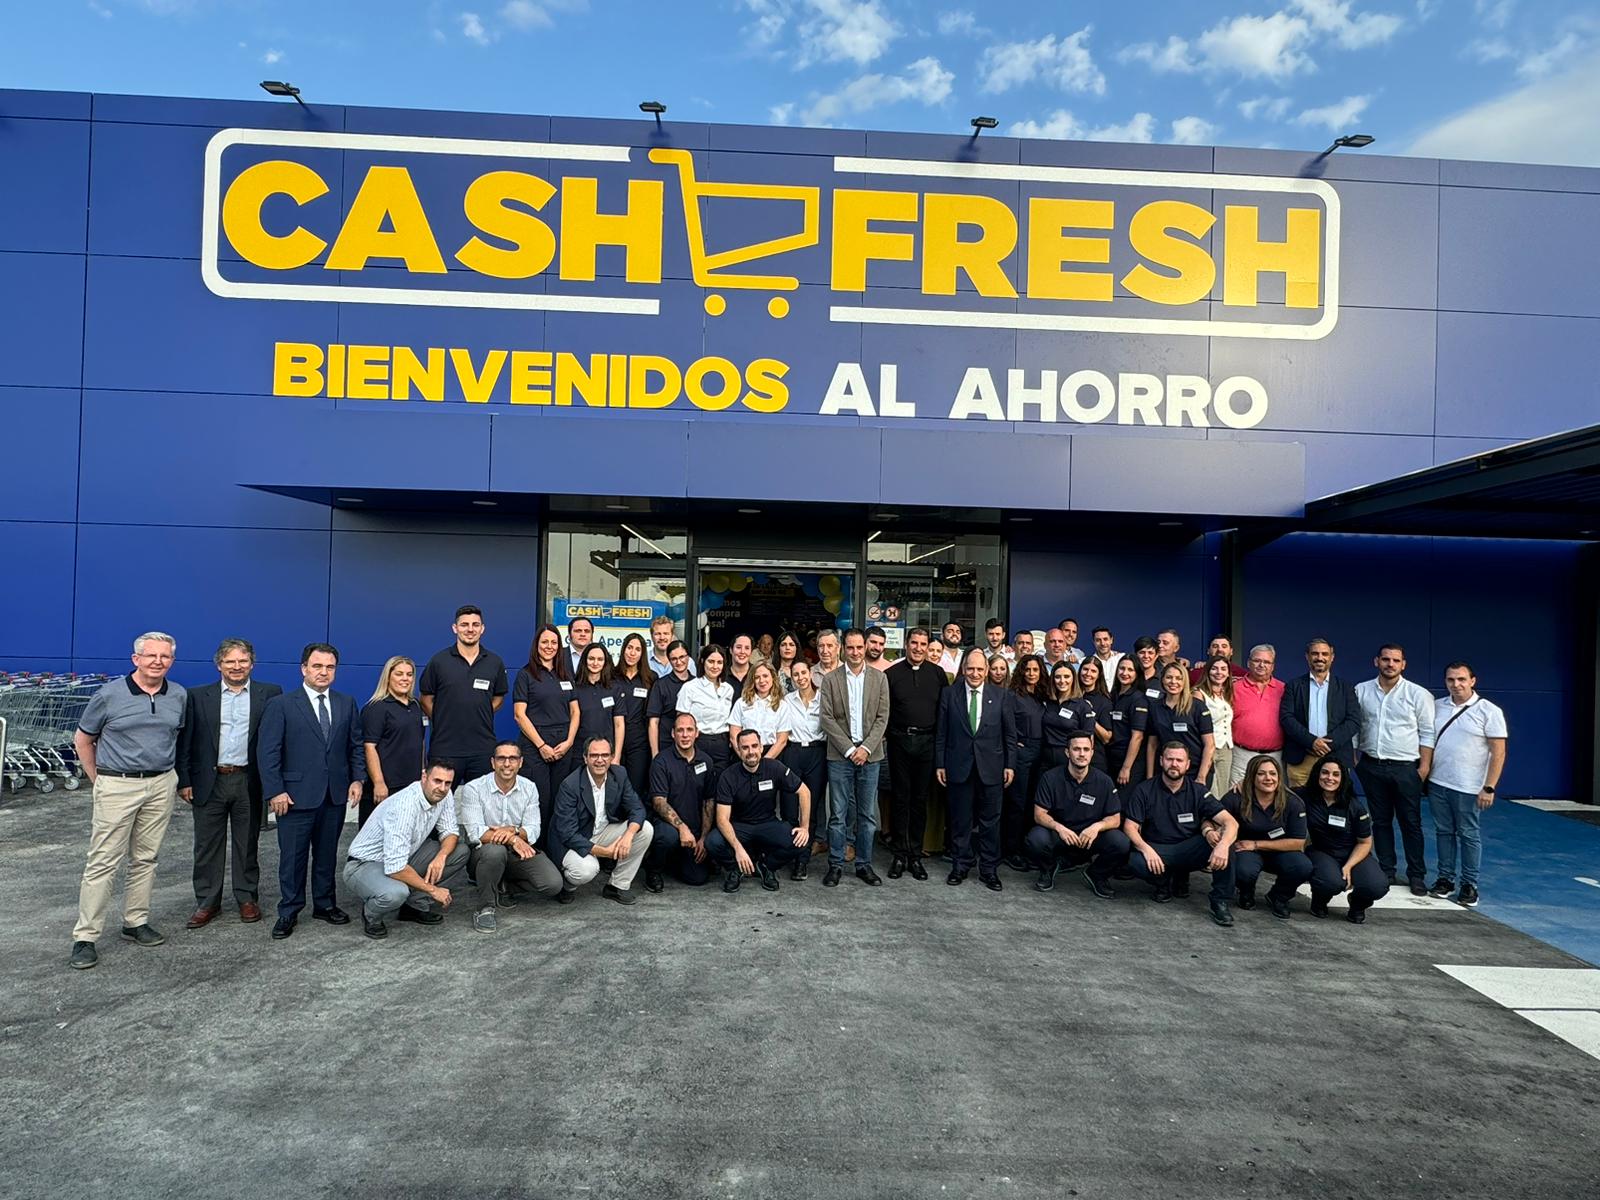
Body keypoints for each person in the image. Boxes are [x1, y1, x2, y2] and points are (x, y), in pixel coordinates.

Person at [68, 632, 188, 971]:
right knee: (103, 861)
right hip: (117, 785)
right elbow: (83, 739)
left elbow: (176, 736)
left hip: (160, 783)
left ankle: (135, 921)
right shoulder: (109, 695)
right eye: (150, 656)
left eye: (164, 657)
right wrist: (99, 781)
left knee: (146, 858)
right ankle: (86, 936)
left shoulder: (177, 695)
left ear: (171, 661)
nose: (157, 662)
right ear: (135, 659)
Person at [258, 642, 365, 941]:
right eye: (317, 666)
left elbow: (355, 746)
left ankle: (325, 904)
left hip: (334, 795)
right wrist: (275, 791)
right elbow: (268, 752)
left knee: (327, 854)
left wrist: (357, 780)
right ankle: (289, 910)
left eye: (329, 667)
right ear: (303, 669)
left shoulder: (346, 703)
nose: (323, 672)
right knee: (292, 857)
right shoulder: (282, 704)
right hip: (292, 797)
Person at [175, 637, 282, 930]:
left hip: (250, 780)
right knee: (207, 845)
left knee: (247, 843)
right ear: (219, 664)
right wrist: (184, 780)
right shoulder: (197, 696)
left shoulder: (270, 694)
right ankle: (207, 902)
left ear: (252, 663)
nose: (237, 667)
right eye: (230, 661)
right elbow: (186, 742)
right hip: (209, 781)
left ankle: (247, 897)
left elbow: (275, 742)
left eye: (242, 661)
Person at [342, 759, 469, 940]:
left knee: (458, 852)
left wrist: (441, 855)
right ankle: (372, 915)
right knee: (396, 892)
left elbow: (450, 832)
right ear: (424, 777)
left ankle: (413, 907)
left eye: (447, 783)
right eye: (437, 781)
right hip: (363, 864)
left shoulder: (444, 795)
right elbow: (395, 867)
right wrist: (433, 890)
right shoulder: (404, 807)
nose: (442, 788)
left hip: (403, 856)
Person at [1122, 742, 1239, 927]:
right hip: (1158, 849)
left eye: (1179, 760)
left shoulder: (1198, 791)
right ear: (1161, 761)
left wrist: (1223, 845)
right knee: (1136, 861)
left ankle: (1220, 901)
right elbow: (1129, 827)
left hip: (1189, 849)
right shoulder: (1144, 789)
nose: (1174, 764)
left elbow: (1231, 822)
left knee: (1225, 843)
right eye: (1169, 759)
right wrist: (1146, 849)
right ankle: (1163, 882)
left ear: (1187, 764)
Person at [1355, 643, 1436, 896]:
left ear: (1403, 664)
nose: (1390, 664)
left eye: (1396, 660)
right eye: (1386, 659)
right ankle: (1387, 870)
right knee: (1379, 822)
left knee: (1410, 823)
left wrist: (1424, 767)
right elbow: (1356, 726)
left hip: (1405, 768)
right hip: (1371, 765)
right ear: (1376, 661)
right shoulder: (1362, 690)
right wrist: (1356, 760)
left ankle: (1416, 875)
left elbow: (1427, 733)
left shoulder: (1418, 694)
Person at [1426, 662, 1508, 908]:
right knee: (1443, 831)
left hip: (1469, 786)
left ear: (1473, 680)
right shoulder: (1437, 706)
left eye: (1461, 679)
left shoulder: (1488, 711)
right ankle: (1445, 879)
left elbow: (1499, 752)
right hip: (1438, 782)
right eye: (1451, 679)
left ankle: (1469, 884)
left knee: (1469, 834)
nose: (1456, 684)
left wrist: (1489, 787)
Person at [457, 742, 562, 932]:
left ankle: (503, 886)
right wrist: (514, 837)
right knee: (495, 851)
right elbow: (476, 833)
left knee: (553, 883)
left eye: (512, 758)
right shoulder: (474, 788)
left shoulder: (529, 788)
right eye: (501, 758)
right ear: (492, 762)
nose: (507, 764)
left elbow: (533, 830)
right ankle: (485, 908)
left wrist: (512, 830)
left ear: (520, 763)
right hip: (483, 854)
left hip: (516, 853)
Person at [935, 647, 1016, 891]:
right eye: (970, 668)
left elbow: (1009, 735)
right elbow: (941, 733)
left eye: (980, 669)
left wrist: (1010, 765)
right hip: (958, 766)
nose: (975, 673)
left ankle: (989, 869)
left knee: (990, 822)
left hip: (992, 768)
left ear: (988, 670)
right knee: (961, 821)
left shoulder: (1001, 696)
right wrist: (940, 763)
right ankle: (960, 865)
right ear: (963, 669)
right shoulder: (949, 694)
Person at [819, 628, 891, 887]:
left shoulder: (879, 679)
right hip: (840, 755)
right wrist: (850, 749)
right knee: (837, 814)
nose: (855, 652)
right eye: (850, 647)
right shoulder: (830, 680)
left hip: (871, 756)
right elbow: (826, 718)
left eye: (859, 647)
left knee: (867, 815)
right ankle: (836, 864)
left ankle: (864, 864)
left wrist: (866, 749)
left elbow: (883, 718)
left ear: (865, 648)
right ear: (842, 649)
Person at [549, 736, 654, 904]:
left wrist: (628, 836)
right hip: (572, 839)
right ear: (585, 758)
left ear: (612, 757)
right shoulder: (570, 785)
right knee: (587, 869)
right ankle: (567, 886)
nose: (600, 760)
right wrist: (606, 852)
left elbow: (637, 808)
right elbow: (567, 834)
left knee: (645, 829)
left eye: (605, 755)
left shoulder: (619, 774)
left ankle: (616, 886)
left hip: (601, 831)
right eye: (594, 755)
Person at [706, 729, 812, 892]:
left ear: (761, 747)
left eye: (754, 746)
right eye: (745, 748)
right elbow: (722, 819)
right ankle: (735, 869)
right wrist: (738, 849)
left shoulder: (774, 767)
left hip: (767, 824)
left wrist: (804, 827)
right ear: (739, 750)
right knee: (712, 842)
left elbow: (804, 792)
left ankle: (766, 867)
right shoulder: (728, 776)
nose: (751, 752)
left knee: (801, 842)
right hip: (739, 826)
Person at [1027, 730, 1130, 898]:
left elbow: (1115, 819)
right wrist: (1058, 827)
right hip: (1061, 834)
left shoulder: (1104, 781)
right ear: (1067, 752)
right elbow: (1039, 814)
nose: (1081, 754)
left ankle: (1097, 874)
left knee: (1121, 842)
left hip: (1089, 837)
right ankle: (1048, 869)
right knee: (1036, 839)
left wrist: (1097, 826)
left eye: (1086, 749)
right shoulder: (1050, 778)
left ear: (1091, 752)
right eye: (1076, 749)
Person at [418, 604, 507, 786]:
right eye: (464, 624)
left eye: (475, 625)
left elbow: (499, 698)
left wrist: (480, 711)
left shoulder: (494, 662)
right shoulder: (439, 661)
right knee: (438, 802)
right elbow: (425, 698)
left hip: (482, 748)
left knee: (482, 804)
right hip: (445, 747)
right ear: (455, 628)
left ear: (482, 629)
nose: (470, 629)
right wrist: (444, 717)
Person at [1215, 755, 1312, 919]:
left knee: (1302, 866)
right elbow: (1214, 819)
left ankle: (1279, 897)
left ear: (1279, 777)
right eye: (1261, 774)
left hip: (1279, 850)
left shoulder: (1293, 802)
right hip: (1246, 852)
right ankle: (1246, 892)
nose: (1268, 778)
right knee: (1243, 870)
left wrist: (1256, 844)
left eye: (1273, 774)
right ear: (1251, 776)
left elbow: (1298, 842)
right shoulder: (1235, 797)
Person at [883, 628, 946, 881]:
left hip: (927, 742)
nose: (918, 648)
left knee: (920, 800)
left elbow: (943, 711)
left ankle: (915, 855)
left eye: (923, 644)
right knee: (900, 799)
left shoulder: (938, 674)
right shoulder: (891, 674)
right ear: (906, 645)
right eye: (914, 643)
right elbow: (883, 711)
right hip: (899, 741)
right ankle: (899, 854)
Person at [511, 625, 579, 846]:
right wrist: (541, 745)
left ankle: (556, 850)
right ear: (536, 646)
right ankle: (535, 851)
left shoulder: (566, 674)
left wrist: (569, 742)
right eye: (544, 642)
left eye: (553, 643)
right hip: (535, 746)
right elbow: (519, 715)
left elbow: (575, 711)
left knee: (560, 801)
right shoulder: (525, 674)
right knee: (539, 800)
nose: (549, 647)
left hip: (563, 745)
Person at [1304, 755, 1390, 923]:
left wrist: (1349, 866)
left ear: (1342, 778)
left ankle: (1358, 904)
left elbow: (1365, 842)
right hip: (1321, 851)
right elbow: (1276, 790)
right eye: (1325, 773)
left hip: (1354, 853)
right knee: (1331, 882)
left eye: (1336, 774)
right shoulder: (1305, 796)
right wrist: (1242, 784)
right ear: (1317, 774)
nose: (1330, 778)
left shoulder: (1355, 806)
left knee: (1377, 886)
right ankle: (1319, 901)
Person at [643, 712, 717, 891]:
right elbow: (659, 802)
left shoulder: (706, 761)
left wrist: (704, 837)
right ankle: (653, 869)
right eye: (680, 730)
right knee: (667, 837)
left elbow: (709, 801)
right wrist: (682, 828)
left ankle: (675, 861)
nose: (685, 735)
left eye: (689, 730)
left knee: (698, 878)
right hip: (668, 826)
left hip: (695, 830)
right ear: (672, 733)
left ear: (697, 733)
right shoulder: (661, 761)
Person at [1279, 637, 1361, 789]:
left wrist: (1327, 744)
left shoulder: (1345, 687)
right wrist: (1311, 741)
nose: (1320, 658)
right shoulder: (1294, 686)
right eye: (1315, 654)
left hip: (1336, 757)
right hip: (1301, 757)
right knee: (1299, 806)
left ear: (1332, 657)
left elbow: (1354, 720)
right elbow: (1286, 717)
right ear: (1307, 656)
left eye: (1324, 654)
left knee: (1334, 805)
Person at [359, 655, 426, 829]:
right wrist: (379, 783)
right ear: (388, 676)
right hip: (386, 787)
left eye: (409, 674)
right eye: (399, 674)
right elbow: (369, 747)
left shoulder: (416, 706)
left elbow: (421, 741)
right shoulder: (376, 707)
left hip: (412, 786)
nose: (405, 679)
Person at [1003, 654, 1049, 871]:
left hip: (1042, 754)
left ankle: (1029, 849)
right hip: (1021, 753)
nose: (1031, 674)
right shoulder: (1013, 696)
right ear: (1021, 672)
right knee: (1017, 804)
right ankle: (1011, 851)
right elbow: (1008, 728)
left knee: (1034, 803)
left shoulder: (1043, 696)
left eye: (1035, 670)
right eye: (1027, 670)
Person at [1145, 662, 1215, 785]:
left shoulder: (1197, 707)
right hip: (1167, 771)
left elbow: (1209, 745)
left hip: (1195, 772)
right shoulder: (1155, 707)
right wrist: (1149, 777)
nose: (1173, 682)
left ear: (1185, 681)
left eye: (1178, 678)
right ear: (1162, 680)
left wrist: (1201, 777)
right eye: (1169, 677)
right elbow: (1152, 745)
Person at [1229, 644, 1284, 788]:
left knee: (1272, 798)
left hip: (1275, 756)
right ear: (1248, 663)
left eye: (1266, 662)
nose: (1261, 665)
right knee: (1237, 796)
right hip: (1241, 755)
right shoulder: (1234, 688)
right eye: (1257, 661)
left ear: (1273, 666)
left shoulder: (1283, 689)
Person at [677, 644, 736, 776]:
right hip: (699, 742)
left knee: (720, 784)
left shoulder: (728, 689)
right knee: (697, 783)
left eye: (719, 662)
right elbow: (681, 720)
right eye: (711, 661)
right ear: (703, 661)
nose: (715, 666)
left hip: (722, 743)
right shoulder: (690, 687)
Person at [613, 632, 656, 797]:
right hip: (614, 739)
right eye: (629, 648)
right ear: (623, 649)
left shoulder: (650, 679)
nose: (632, 653)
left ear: (642, 653)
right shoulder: (611, 676)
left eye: (637, 649)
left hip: (639, 741)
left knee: (635, 788)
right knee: (614, 789)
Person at [574, 644, 625, 772]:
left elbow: (619, 724)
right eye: (591, 659)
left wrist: (616, 756)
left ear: (606, 662)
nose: (595, 663)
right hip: (579, 753)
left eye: (600, 659)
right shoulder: (575, 687)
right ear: (585, 660)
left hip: (606, 754)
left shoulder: (615, 688)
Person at [1040, 660, 1097, 776]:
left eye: (1066, 677)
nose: (1062, 681)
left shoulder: (1083, 706)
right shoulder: (1048, 702)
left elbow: (1089, 738)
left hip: (1068, 760)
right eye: (1058, 677)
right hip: (1045, 759)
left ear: (1073, 679)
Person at [1195, 657, 1236, 801]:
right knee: (1210, 789)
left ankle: (1221, 822)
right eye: (1214, 668)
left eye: (1223, 669)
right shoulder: (1199, 693)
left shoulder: (1227, 693)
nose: (1219, 672)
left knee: (1223, 790)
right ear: (1207, 671)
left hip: (1226, 748)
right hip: (1207, 747)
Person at [1106, 656, 1151, 787]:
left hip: (1129, 760)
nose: (1125, 673)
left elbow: (1137, 737)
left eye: (1130, 670)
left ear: (1137, 673)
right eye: (1122, 668)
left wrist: (1126, 768)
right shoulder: (1112, 695)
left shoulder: (1138, 699)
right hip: (1111, 757)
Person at [647, 640, 695, 755]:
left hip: (692, 746)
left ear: (688, 657)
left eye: (682, 657)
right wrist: (655, 754)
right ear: (669, 660)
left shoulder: (697, 683)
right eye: (674, 659)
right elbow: (653, 722)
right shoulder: (661, 685)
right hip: (666, 745)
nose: (679, 662)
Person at [729, 662, 785, 755]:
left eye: (765, 676)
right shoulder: (741, 703)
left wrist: (765, 761)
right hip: (746, 753)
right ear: (752, 680)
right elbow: (733, 734)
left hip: (772, 753)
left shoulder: (782, 705)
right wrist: (744, 756)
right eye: (757, 677)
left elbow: (782, 740)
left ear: (773, 678)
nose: (761, 680)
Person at [1076, 657, 1115, 775]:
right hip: (1069, 757)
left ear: (1099, 675)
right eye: (1085, 669)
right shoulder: (1070, 695)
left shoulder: (1104, 701)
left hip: (1094, 760)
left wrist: (1090, 716)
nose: (1088, 674)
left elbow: (1107, 738)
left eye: (1093, 671)